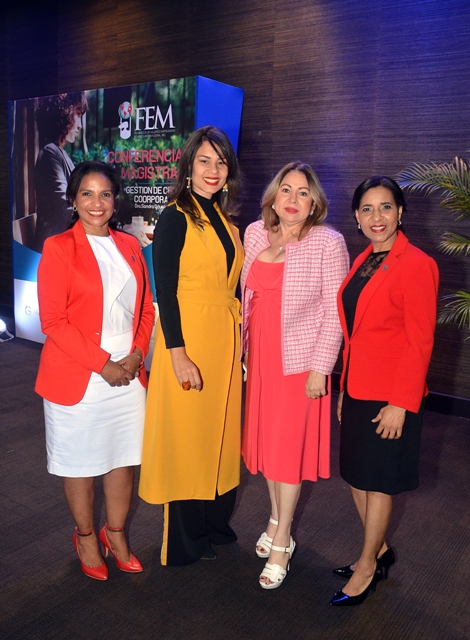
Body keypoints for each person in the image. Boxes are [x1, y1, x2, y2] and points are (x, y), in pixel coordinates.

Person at [36, 161, 155, 580]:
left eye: (105, 194)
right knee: (81, 462)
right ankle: (86, 536)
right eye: (87, 194)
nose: (97, 203)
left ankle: (116, 533)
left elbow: (144, 312)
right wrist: (103, 365)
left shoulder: (130, 245)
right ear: (73, 199)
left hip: (128, 372)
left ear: (115, 199)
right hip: (79, 374)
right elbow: (53, 321)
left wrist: (137, 355)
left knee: (123, 459)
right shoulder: (58, 248)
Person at [330, 176, 439, 606]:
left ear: (401, 212)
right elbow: (355, 335)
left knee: (378, 484)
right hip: (357, 389)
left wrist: (401, 402)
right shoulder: (363, 261)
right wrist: (344, 388)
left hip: (392, 394)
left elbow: (420, 340)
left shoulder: (416, 263)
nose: (377, 217)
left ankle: (367, 566)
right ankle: (379, 549)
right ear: (357, 217)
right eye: (368, 209)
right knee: (356, 477)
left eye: (386, 207)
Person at [241, 161, 349, 589]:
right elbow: (246, 297)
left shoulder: (327, 242)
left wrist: (321, 368)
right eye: (286, 189)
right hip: (263, 361)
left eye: (303, 192)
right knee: (268, 448)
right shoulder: (254, 233)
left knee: (286, 454)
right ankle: (273, 518)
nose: (292, 198)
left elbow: (334, 314)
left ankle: (283, 539)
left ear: (314, 203)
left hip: (299, 364)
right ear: (274, 195)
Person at [138, 126, 244, 566]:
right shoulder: (174, 216)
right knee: (187, 439)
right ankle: (185, 541)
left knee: (219, 435)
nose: (213, 170)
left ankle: (215, 525)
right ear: (187, 167)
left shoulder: (223, 219)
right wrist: (177, 353)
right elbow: (165, 289)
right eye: (204, 161)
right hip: (188, 341)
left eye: (220, 162)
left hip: (223, 338)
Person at [34, 92, 88, 253]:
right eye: (78, 114)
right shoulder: (50, 154)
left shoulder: (60, 154)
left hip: (64, 245)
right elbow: (65, 208)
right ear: (64, 113)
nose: (80, 125)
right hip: (54, 252)